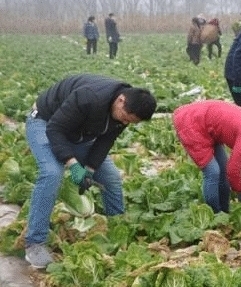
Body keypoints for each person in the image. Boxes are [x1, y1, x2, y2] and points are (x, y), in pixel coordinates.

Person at [24, 74, 157, 269]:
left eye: (132, 122)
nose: (126, 123)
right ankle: (34, 242)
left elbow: (105, 141)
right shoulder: (90, 97)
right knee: (52, 173)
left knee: (110, 177)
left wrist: (90, 168)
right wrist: (73, 164)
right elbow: (55, 130)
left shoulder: (124, 112)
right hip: (45, 123)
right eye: (126, 118)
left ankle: (117, 227)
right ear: (121, 101)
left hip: (79, 132)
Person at [172, 100, 241, 213]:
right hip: (192, 122)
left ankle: (225, 212)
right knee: (213, 172)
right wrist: (240, 192)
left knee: (222, 171)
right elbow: (233, 169)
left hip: (209, 126)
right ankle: (214, 214)